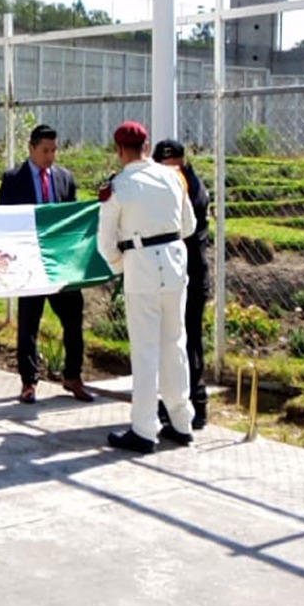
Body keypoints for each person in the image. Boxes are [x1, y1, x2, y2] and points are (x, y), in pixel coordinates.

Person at [96, 121, 197, 454]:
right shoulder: (172, 177)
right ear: (147, 145)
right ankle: (181, 422)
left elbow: (105, 243)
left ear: (119, 150)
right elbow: (189, 225)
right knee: (174, 342)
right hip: (174, 262)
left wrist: (121, 265)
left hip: (141, 265)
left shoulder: (119, 187)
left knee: (145, 350)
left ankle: (143, 428)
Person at [0, 124, 94, 404]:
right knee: (29, 323)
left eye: (54, 150)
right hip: (28, 264)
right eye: (45, 150)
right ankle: (29, 381)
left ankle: (73, 376)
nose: (50, 156)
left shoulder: (65, 178)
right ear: (31, 148)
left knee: (73, 317)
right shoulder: (13, 179)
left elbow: (73, 221)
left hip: (60, 266)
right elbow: (2, 221)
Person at [153, 139, 210, 429]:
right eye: (166, 167)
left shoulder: (193, 188)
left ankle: (197, 405)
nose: (173, 171)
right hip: (167, 278)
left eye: (176, 165)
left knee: (189, 342)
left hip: (191, 278)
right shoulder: (163, 187)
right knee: (168, 344)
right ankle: (169, 404)